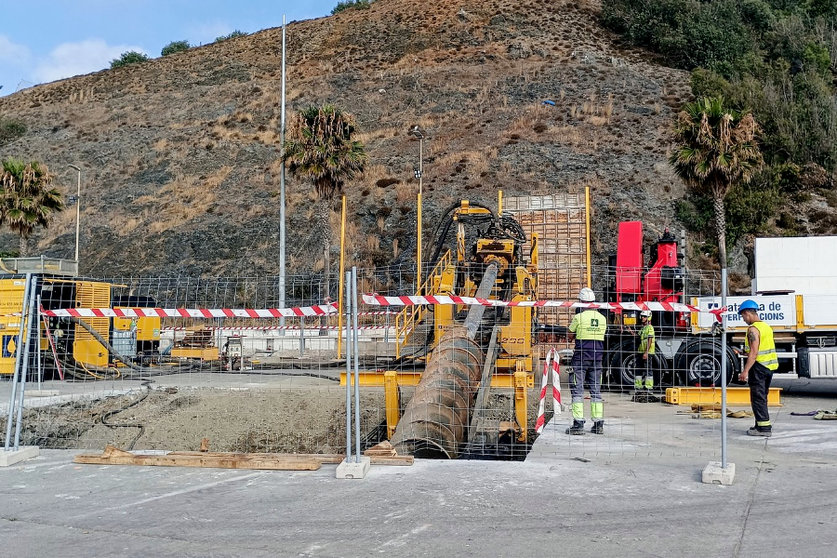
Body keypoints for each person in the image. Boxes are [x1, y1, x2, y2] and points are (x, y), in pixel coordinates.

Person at [567, 287, 607, 435]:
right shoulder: (602, 319)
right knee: (596, 391)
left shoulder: (579, 318)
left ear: (581, 302)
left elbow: (570, 335)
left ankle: (578, 424)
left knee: (577, 390)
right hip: (597, 358)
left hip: (581, 358)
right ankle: (598, 423)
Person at [738, 299, 778, 437]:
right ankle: (760, 424)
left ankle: (764, 429)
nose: (743, 319)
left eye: (743, 316)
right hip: (769, 367)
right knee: (762, 396)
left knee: (757, 398)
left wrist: (745, 371)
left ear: (747, 313)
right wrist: (744, 352)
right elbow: (759, 349)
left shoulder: (753, 329)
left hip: (759, 367)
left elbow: (754, 353)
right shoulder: (766, 327)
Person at [634, 310, 655, 393]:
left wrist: (646, 352)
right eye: (642, 316)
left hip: (648, 352)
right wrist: (630, 331)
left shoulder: (650, 328)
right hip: (641, 351)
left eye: (644, 316)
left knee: (648, 369)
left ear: (648, 317)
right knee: (638, 369)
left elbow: (650, 339)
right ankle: (638, 386)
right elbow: (637, 336)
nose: (642, 318)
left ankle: (649, 387)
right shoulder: (643, 328)